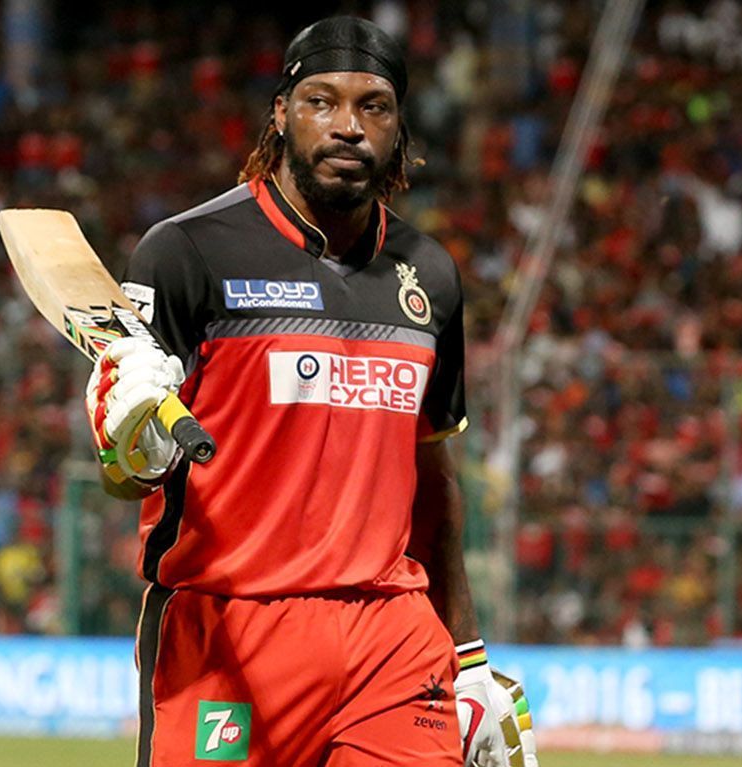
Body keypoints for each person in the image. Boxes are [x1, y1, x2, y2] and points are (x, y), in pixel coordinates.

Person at [84, 16, 537, 767]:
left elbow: (431, 476)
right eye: (321, 101)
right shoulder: (187, 252)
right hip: (229, 628)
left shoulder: (429, 273)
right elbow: (124, 468)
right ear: (281, 114)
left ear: (399, 128)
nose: (348, 126)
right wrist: (130, 441)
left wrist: (469, 654)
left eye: (373, 106)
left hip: (390, 633)